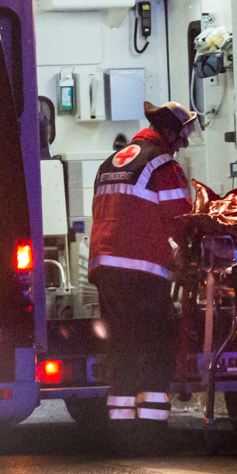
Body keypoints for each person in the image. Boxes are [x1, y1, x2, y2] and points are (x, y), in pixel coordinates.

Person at [88, 101, 196, 454]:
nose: (183, 143)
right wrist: (189, 254)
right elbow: (181, 221)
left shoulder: (110, 164)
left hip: (106, 269)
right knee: (154, 348)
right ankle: (151, 434)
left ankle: (121, 435)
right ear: (169, 131)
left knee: (121, 348)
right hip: (142, 271)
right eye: (182, 135)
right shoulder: (162, 165)